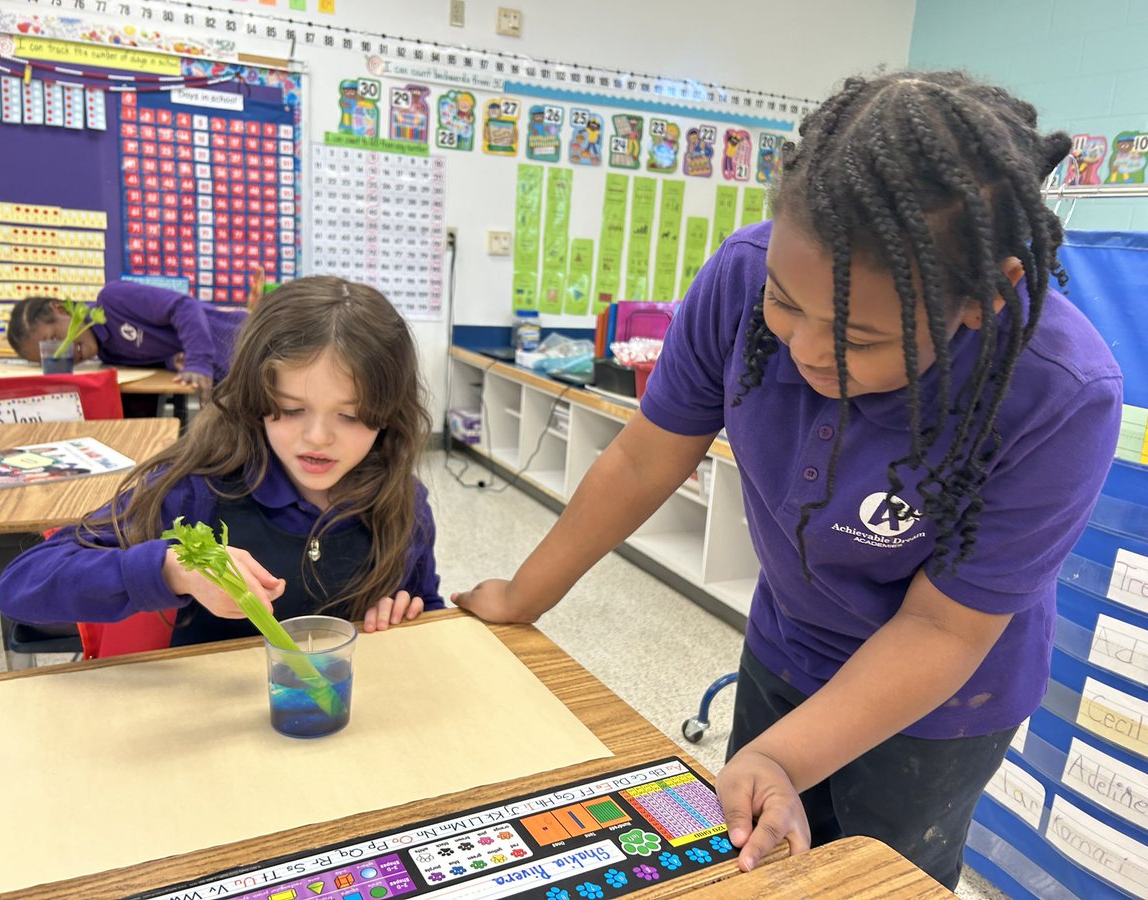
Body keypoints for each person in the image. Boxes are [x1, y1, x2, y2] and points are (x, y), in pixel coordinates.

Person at [453, 71, 1123, 889]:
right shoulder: (739, 276)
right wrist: (524, 596)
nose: (806, 349)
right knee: (755, 860)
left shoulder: (1061, 392)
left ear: (986, 296)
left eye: (858, 339)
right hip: (790, 643)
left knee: (872, 877)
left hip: (938, 705)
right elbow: (644, 456)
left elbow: (944, 631)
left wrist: (784, 756)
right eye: (785, 303)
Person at [0, 276, 443, 643]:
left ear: (389, 414)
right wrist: (172, 569)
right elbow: (23, 584)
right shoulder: (201, 489)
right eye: (291, 409)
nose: (318, 438)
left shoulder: (402, 501)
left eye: (351, 415)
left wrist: (409, 615)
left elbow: (428, 607)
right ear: (255, 397)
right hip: (212, 717)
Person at [5, 268, 264, 405]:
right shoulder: (108, 354)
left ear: (61, 309)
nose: (64, 353)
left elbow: (183, 307)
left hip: (249, 341)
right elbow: (157, 351)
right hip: (230, 378)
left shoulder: (113, 300)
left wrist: (197, 361)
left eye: (54, 340)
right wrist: (171, 361)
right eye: (48, 355)